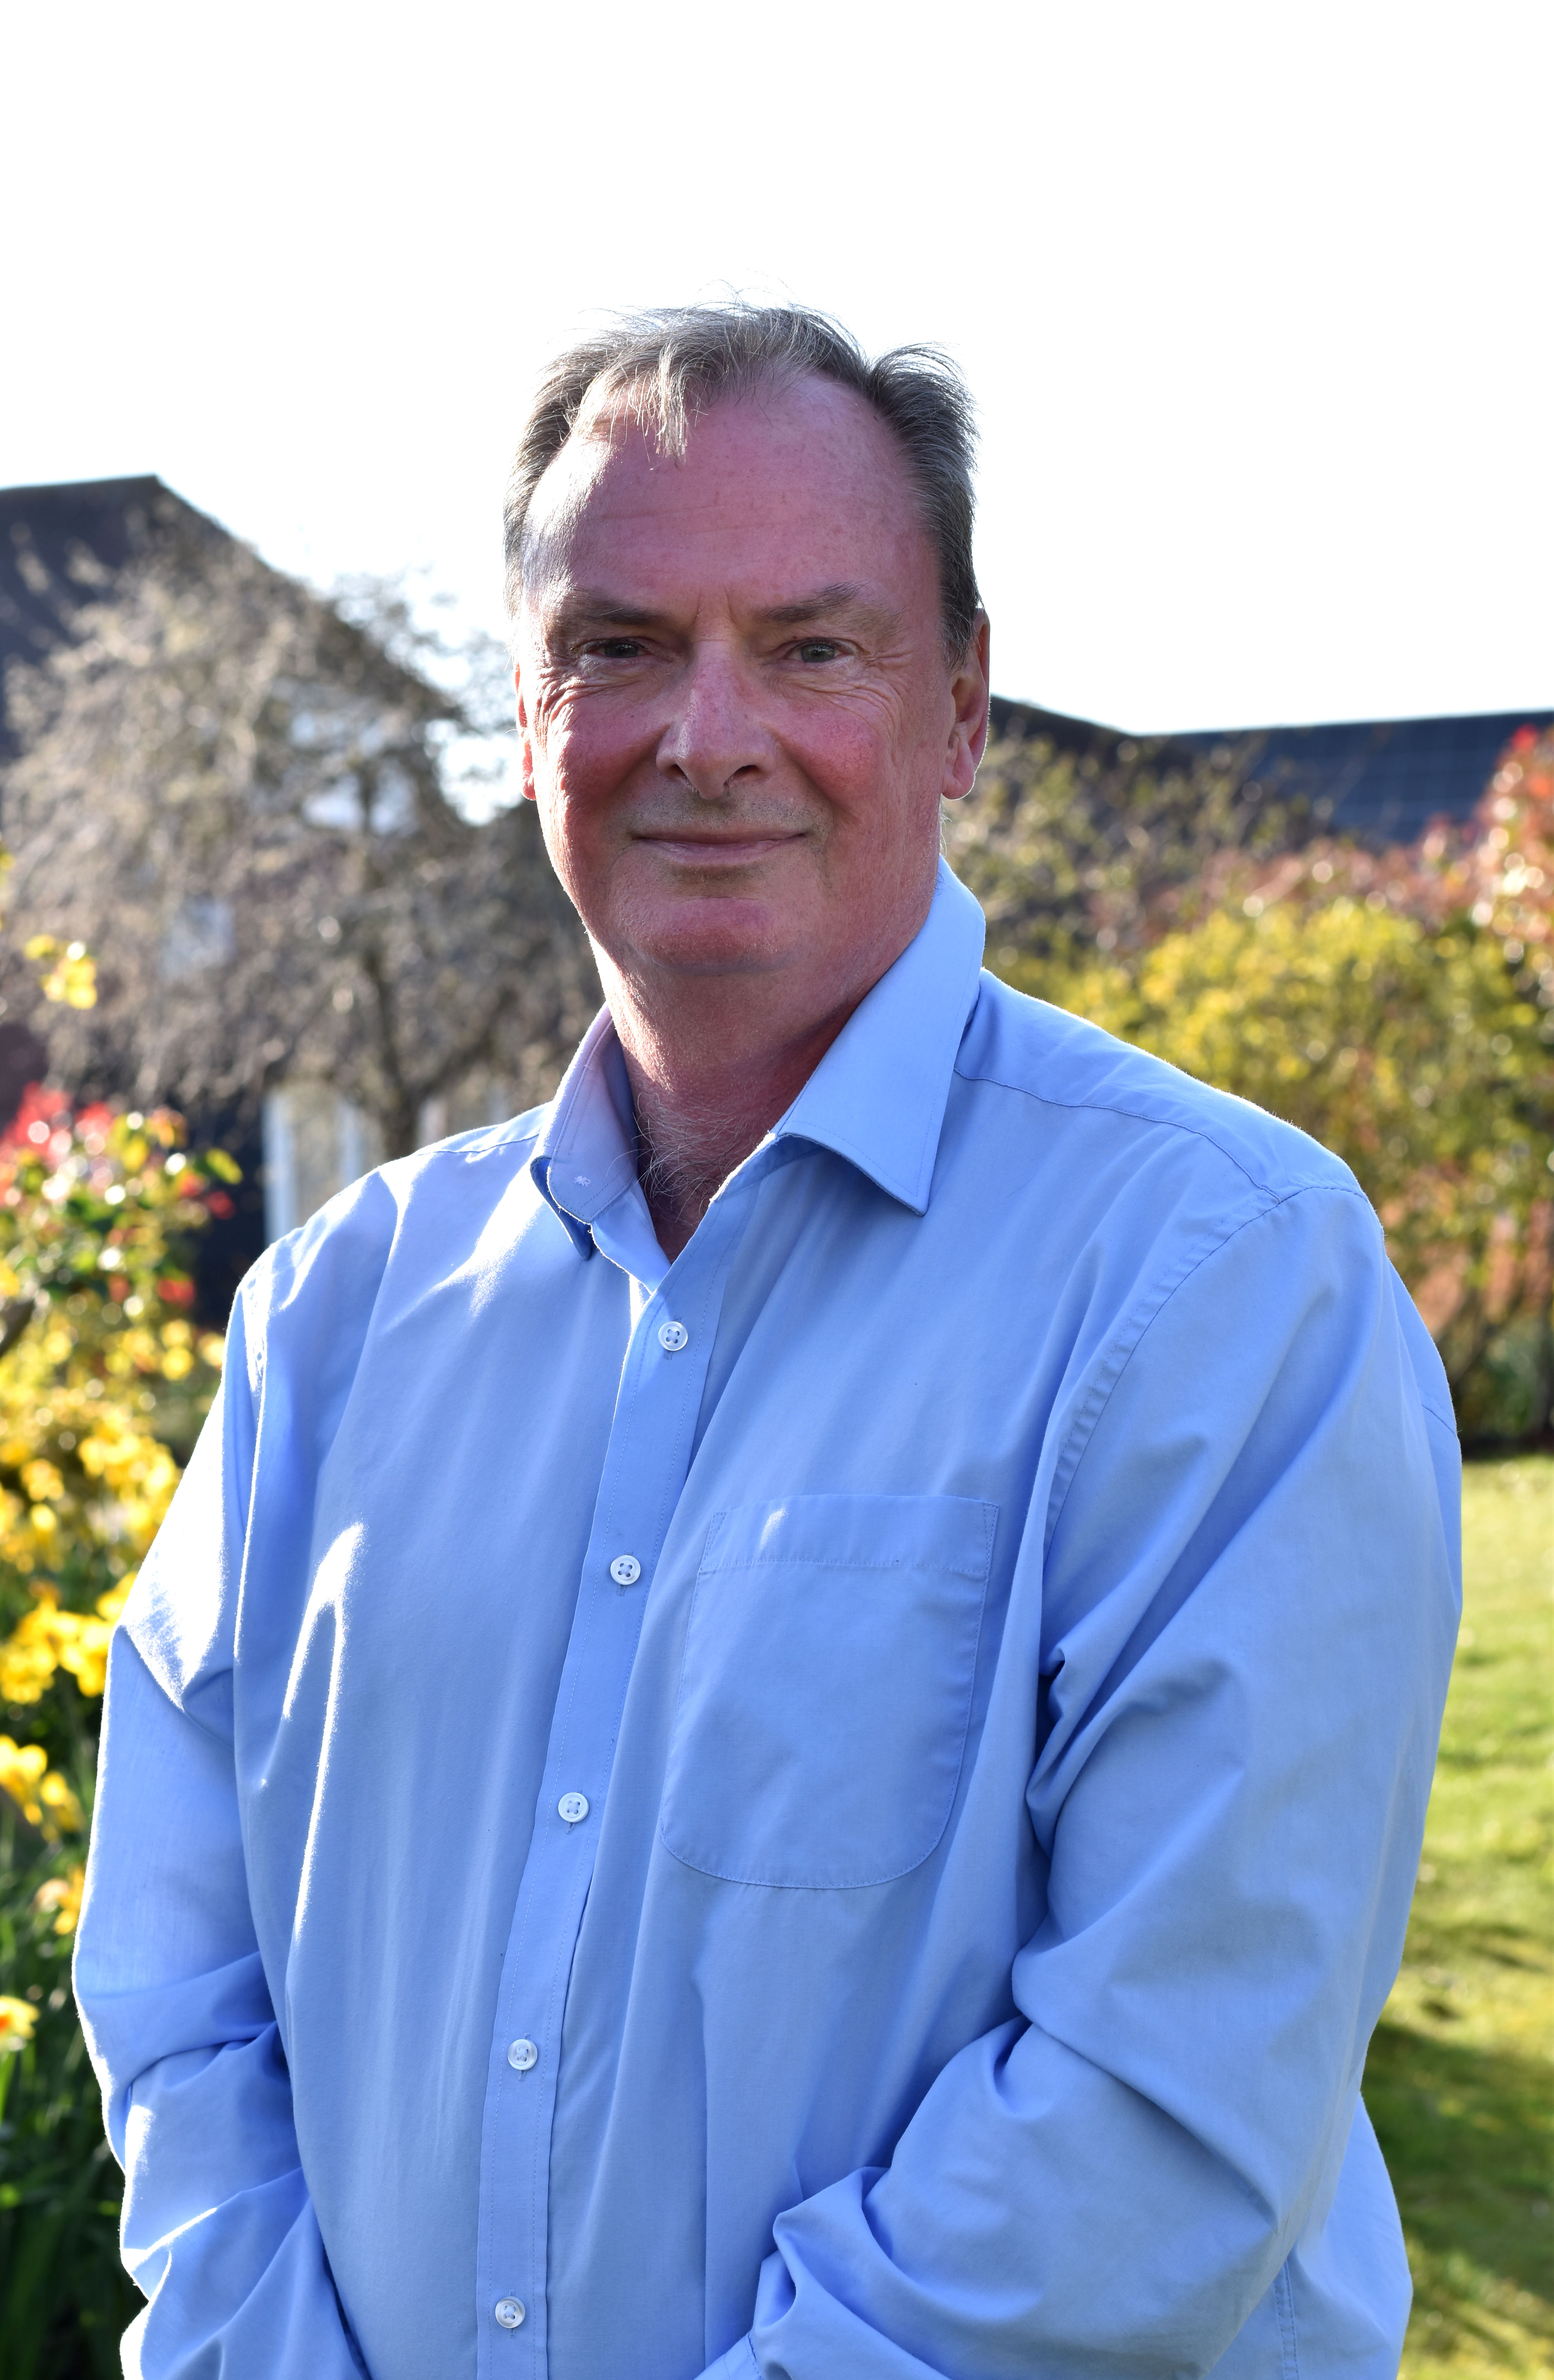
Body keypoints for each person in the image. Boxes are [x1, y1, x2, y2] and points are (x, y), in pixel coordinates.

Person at [76, 305, 1460, 2380]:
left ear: (965, 709)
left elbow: (1169, 2092)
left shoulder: (1221, 1281)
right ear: (528, 714)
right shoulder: (328, 1322)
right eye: (618, 645)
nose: (705, 734)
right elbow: (182, 1997)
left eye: (813, 647)